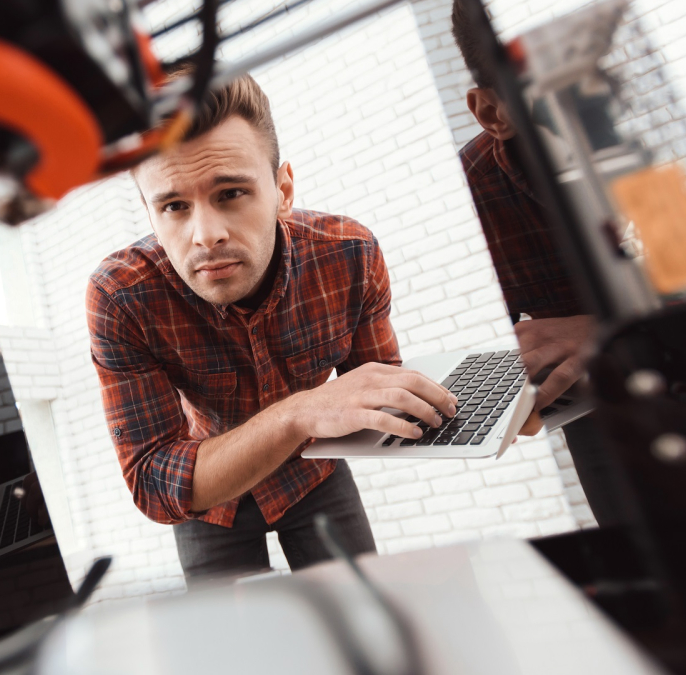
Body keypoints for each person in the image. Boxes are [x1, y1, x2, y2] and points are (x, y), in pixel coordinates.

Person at [86, 68, 457, 583]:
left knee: (370, 623)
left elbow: (376, 381)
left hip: (315, 477)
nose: (205, 235)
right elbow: (153, 481)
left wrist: (484, 414)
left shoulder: (349, 254)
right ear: (150, 213)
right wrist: (299, 414)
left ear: (282, 189)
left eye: (231, 193)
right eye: (174, 206)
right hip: (211, 493)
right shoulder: (120, 296)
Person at [451, 0, 623, 526]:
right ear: (492, 112)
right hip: (601, 414)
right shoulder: (473, 188)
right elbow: (480, 335)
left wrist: (611, 330)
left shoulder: (660, 127)